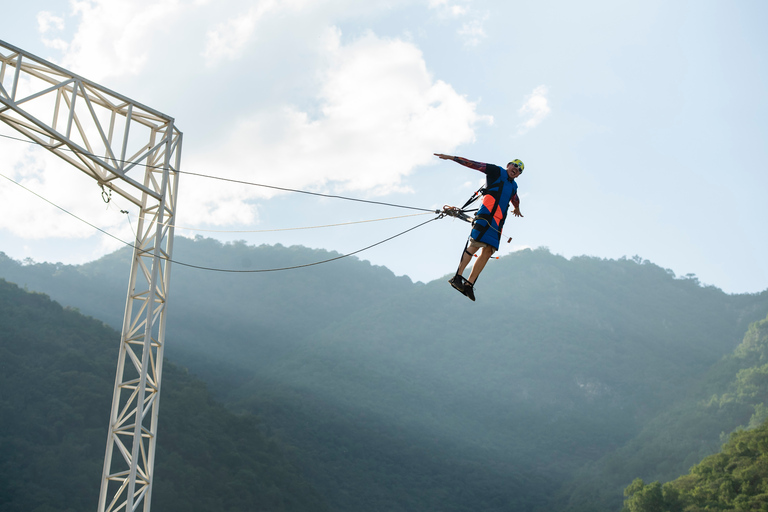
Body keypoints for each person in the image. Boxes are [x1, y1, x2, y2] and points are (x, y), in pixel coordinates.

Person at [434, 153, 524, 301]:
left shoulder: (513, 186)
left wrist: (517, 208)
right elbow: (475, 164)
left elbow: (515, 198)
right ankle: (458, 277)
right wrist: (452, 158)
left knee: (488, 251)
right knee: (475, 245)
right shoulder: (496, 171)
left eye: (520, 170)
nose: (517, 169)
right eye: (515, 165)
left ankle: (469, 284)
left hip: (498, 222)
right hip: (486, 214)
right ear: (508, 165)